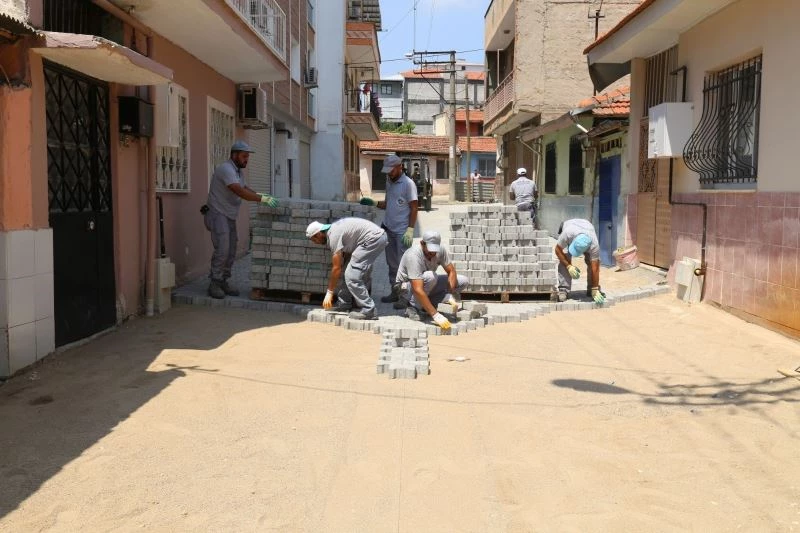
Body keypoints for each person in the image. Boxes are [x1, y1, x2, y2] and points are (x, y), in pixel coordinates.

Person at [203, 140, 279, 299]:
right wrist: (262, 200)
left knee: (231, 250)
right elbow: (239, 191)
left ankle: (223, 280)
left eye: (247, 157)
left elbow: (244, 188)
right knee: (223, 248)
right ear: (234, 155)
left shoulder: (238, 172)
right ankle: (214, 283)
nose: (246, 160)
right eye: (244, 156)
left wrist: (261, 195)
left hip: (228, 215)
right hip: (217, 214)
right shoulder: (226, 169)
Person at [360, 154, 418, 303]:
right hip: (388, 229)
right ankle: (395, 292)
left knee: (403, 265)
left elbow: (414, 208)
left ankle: (405, 298)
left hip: (402, 232)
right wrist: (373, 203)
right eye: (387, 171)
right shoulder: (389, 182)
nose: (389, 174)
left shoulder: (408, 184)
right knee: (392, 265)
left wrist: (410, 230)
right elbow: (387, 204)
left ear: (399, 167)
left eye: (391, 170)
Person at [306, 218, 388, 320]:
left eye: (314, 239)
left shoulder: (333, 236)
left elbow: (336, 268)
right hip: (372, 238)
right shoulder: (334, 230)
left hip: (374, 239)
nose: (315, 242)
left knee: (352, 276)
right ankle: (344, 303)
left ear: (318, 234)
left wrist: (329, 293)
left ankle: (369, 309)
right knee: (347, 269)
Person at [396, 230, 470, 330]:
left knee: (463, 281)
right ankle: (412, 306)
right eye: (430, 249)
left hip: (426, 285)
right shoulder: (413, 255)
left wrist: (449, 293)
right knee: (431, 276)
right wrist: (435, 315)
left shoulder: (440, 250)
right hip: (407, 288)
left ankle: (427, 304)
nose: (433, 253)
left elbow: (451, 271)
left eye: (435, 249)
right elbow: (417, 288)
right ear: (422, 243)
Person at [553, 218, 606, 304]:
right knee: (565, 257)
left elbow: (595, 267)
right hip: (570, 227)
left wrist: (595, 288)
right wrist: (569, 266)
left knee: (591, 261)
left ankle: (591, 289)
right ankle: (563, 289)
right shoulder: (567, 234)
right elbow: (557, 250)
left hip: (587, 227)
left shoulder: (594, 245)